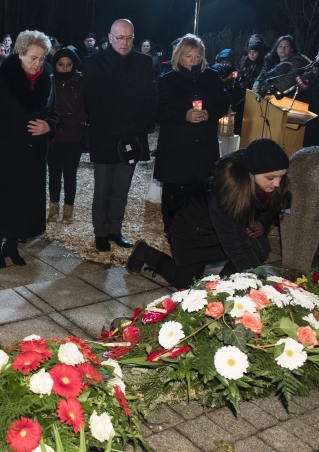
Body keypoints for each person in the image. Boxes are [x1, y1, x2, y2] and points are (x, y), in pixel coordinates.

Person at [127, 138, 290, 289]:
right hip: (193, 231)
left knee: (258, 247)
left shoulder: (272, 180)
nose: (277, 183)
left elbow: (273, 207)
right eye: (270, 178)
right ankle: (145, 253)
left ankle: (223, 289)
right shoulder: (227, 187)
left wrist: (262, 221)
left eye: (281, 177)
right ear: (252, 172)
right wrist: (260, 282)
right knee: (186, 283)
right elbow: (234, 243)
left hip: (225, 228)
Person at [0, 30, 58, 267]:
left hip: (32, 153)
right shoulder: (1, 79)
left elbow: (55, 112)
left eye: (42, 58)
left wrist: (48, 126)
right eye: (33, 58)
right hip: (4, 151)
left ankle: (11, 245)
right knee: (1, 198)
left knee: (24, 200)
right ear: (20, 53)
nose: (37, 63)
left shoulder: (47, 80)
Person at [84, 19, 157, 251]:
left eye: (128, 38)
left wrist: (135, 127)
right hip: (105, 136)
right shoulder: (94, 63)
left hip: (132, 136)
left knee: (122, 189)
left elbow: (149, 98)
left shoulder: (145, 63)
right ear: (110, 37)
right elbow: (93, 101)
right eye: (119, 38)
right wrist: (118, 127)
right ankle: (100, 232)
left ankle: (115, 229)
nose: (124, 42)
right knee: (102, 189)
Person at [154, 34, 230, 235]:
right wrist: (183, 115)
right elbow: (158, 111)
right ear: (179, 56)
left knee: (201, 189)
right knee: (174, 191)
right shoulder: (167, 80)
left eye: (197, 56)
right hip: (177, 145)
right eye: (189, 56)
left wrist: (210, 113)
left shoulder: (212, 77)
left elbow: (223, 102)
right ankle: (171, 230)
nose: (193, 61)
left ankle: (197, 228)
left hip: (203, 144)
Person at [47, 46, 87, 223]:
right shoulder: (49, 81)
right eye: (60, 64)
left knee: (70, 174)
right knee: (54, 173)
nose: (64, 68)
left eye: (68, 64)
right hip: (54, 135)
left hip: (73, 135)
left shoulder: (81, 81)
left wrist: (75, 122)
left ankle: (68, 209)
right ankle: (53, 207)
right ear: (55, 65)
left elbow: (86, 106)